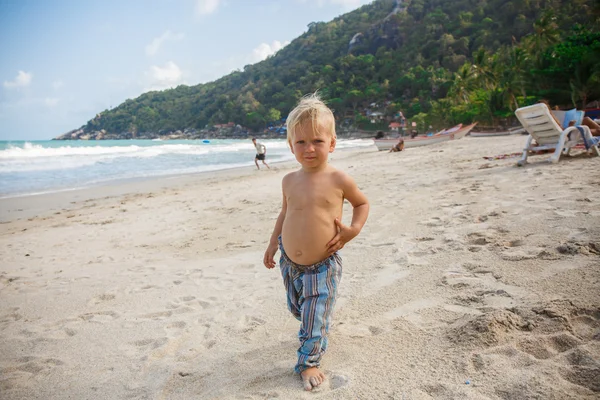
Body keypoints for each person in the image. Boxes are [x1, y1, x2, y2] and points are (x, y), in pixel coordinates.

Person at [262, 94, 369, 391]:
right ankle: (316, 326)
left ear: (332, 143)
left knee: (313, 313)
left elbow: (362, 204)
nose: (309, 149)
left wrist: (353, 230)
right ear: (290, 146)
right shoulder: (288, 181)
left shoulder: (339, 179)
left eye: (317, 142)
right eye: (301, 142)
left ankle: (308, 362)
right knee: (299, 309)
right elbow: (285, 213)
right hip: (290, 262)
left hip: (323, 264)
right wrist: (273, 243)